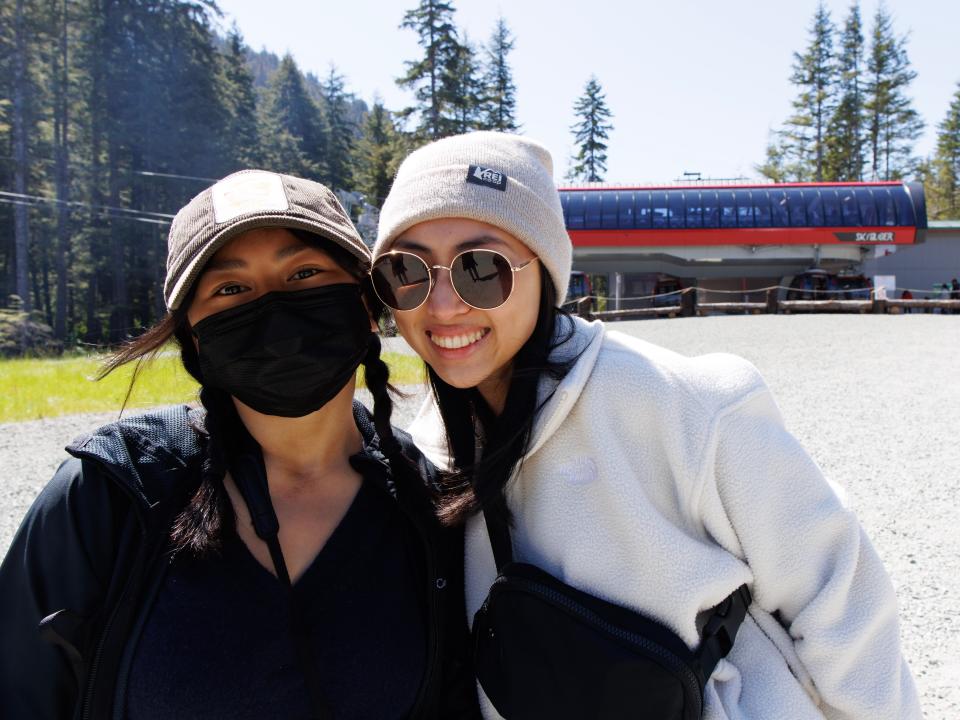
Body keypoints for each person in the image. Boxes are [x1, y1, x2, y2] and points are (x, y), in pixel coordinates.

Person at [369, 132, 922, 719]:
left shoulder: (685, 403)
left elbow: (842, 602)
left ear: (545, 271)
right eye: (407, 269)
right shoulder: (427, 445)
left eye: (481, 268)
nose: (444, 305)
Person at [0, 170, 478, 720]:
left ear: (366, 305)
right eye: (230, 290)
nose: (274, 310)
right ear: (195, 339)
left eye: (304, 272)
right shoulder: (108, 496)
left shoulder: (432, 506)